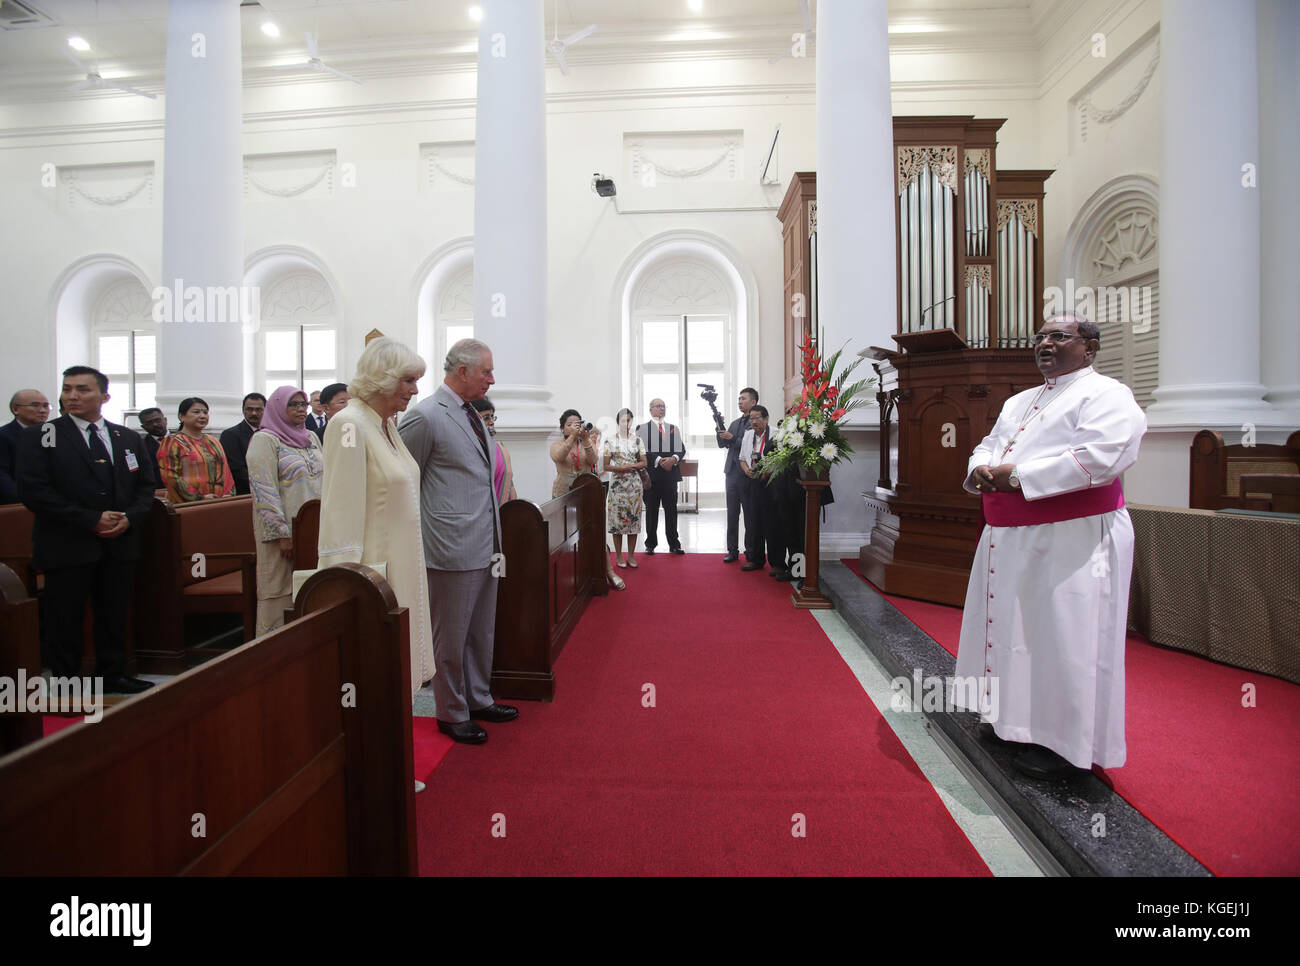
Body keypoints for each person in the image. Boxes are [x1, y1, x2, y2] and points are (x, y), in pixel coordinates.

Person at [954, 312, 1147, 780]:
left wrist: (1017, 476)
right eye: (1040, 336)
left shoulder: (1107, 394)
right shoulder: (1020, 400)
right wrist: (982, 467)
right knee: (1013, 632)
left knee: (1065, 635)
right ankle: (1011, 722)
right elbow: (990, 444)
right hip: (1010, 534)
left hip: (1073, 537)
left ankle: (1064, 746)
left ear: (1089, 348)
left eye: (1059, 336)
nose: (1045, 343)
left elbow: (1099, 457)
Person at [398, 338, 516, 746]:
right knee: (451, 634)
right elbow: (406, 483)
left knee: (481, 629)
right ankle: (451, 712)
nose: (492, 379)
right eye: (486, 371)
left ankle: (479, 698)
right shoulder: (426, 416)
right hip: (450, 544)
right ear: (462, 371)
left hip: (486, 540)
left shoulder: (471, 414)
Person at [16, 366, 155, 693]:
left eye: (82, 389)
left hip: (119, 542)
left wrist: (129, 518)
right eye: (67, 389)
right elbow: (35, 491)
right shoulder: (44, 435)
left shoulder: (127, 437)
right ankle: (65, 680)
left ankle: (113, 674)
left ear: (104, 397)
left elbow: (146, 486)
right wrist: (89, 519)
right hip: (67, 541)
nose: (72, 396)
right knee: (65, 616)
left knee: (114, 612)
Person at [247, 386, 324, 636]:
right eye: (294, 404)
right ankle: (273, 651)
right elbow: (263, 490)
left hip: (312, 529)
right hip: (282, 533)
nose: (301, 409)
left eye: (304, 404)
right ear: (278, 407)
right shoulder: (265, 440)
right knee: (278, 591)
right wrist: (283, 533)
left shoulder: (311, 437)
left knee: (311, 587)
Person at [155, 397, 236, 503]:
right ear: (181, 416)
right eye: (196, 412)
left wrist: (229, 494)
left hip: (219, 501)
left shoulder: (213, 441)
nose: (202, 416)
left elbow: (225, 470)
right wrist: (199, 498)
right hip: (188, 505)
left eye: (205, 412)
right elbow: (170, 476)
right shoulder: (172, 441)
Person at [738, 405, 786, 576]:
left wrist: (768, 471)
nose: (754, 421)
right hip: (752, 482)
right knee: (753, 522)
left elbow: (782, 460)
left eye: (758, 417)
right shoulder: (748, 434)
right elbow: (742, 459)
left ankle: (778, 563)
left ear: (766, 419)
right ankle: (755, 559)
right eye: (751, 418)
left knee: (773, 524)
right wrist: (746, 470)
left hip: (771, 483)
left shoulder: (776, 434)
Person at [636, 398, 687, 555]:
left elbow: (681, 449)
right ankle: (650, 543)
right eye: (658, 406)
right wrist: (658, 460)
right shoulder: (642, 429)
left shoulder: (673, 428)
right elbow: (640, 450)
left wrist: (673, 459)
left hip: (670, 476)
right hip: (651, 478)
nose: (661, 409)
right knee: (651, 511)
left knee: (671, 511)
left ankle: (674, 544)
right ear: (650, 410)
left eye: (663, 406)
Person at [716, 387, 758, 563]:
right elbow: (723, 444)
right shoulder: (734, 422)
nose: (740, 401)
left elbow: (752, 444)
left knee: (749, 514)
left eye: (743, 398)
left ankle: (751, 551)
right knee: (732, 514)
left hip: (747, 473)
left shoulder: (756, 422)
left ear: (753, 402)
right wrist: (718, 427)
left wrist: (732, 437)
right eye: (738, 398)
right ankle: (732, 550)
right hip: (731, 473)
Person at [602, 407, 646, 569]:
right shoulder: (609, 440)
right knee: (617, 521)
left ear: (631, 421)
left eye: (628, 420)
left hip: (634, 485)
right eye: (622, 420)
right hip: (617, 485)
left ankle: (632, 556)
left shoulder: (637, 440)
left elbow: (644, 462)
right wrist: (620, 468)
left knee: (633, 521)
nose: (625, 423)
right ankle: (619, 556)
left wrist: (631, 466)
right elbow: (605, 465)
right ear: (617, 422)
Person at [1, 388, 50, 504]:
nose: (42, 410)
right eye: (35, 405)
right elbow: (2, 476)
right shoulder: (4, 436)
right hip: (18, 503)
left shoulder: (50, 433)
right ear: (15, 409)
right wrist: (26, 500)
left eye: (46, 406)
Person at [219, 392, 266, 496]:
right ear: (243, 410)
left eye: (258, 409)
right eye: (249, 409)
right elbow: (236, 469)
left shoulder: (271, 434)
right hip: (245, 493)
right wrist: (263, 485)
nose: (254, 413)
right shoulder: (230, 435)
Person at [471, 397, 516, 503]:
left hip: (503, 511)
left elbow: (509, 484)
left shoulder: (500, 450)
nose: (491, 422)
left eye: (492, 417)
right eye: (486, 418)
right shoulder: (468, 449)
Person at [550, 409, 598, 498]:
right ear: (562, 429)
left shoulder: (587, 442)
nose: (575, 427)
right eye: (569, 425)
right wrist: (572, 436)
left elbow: (593, 461)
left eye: (577, 424)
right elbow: (558, 457)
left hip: (585, 490)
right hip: (563, 492)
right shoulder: (556, 445)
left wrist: (585, 439)